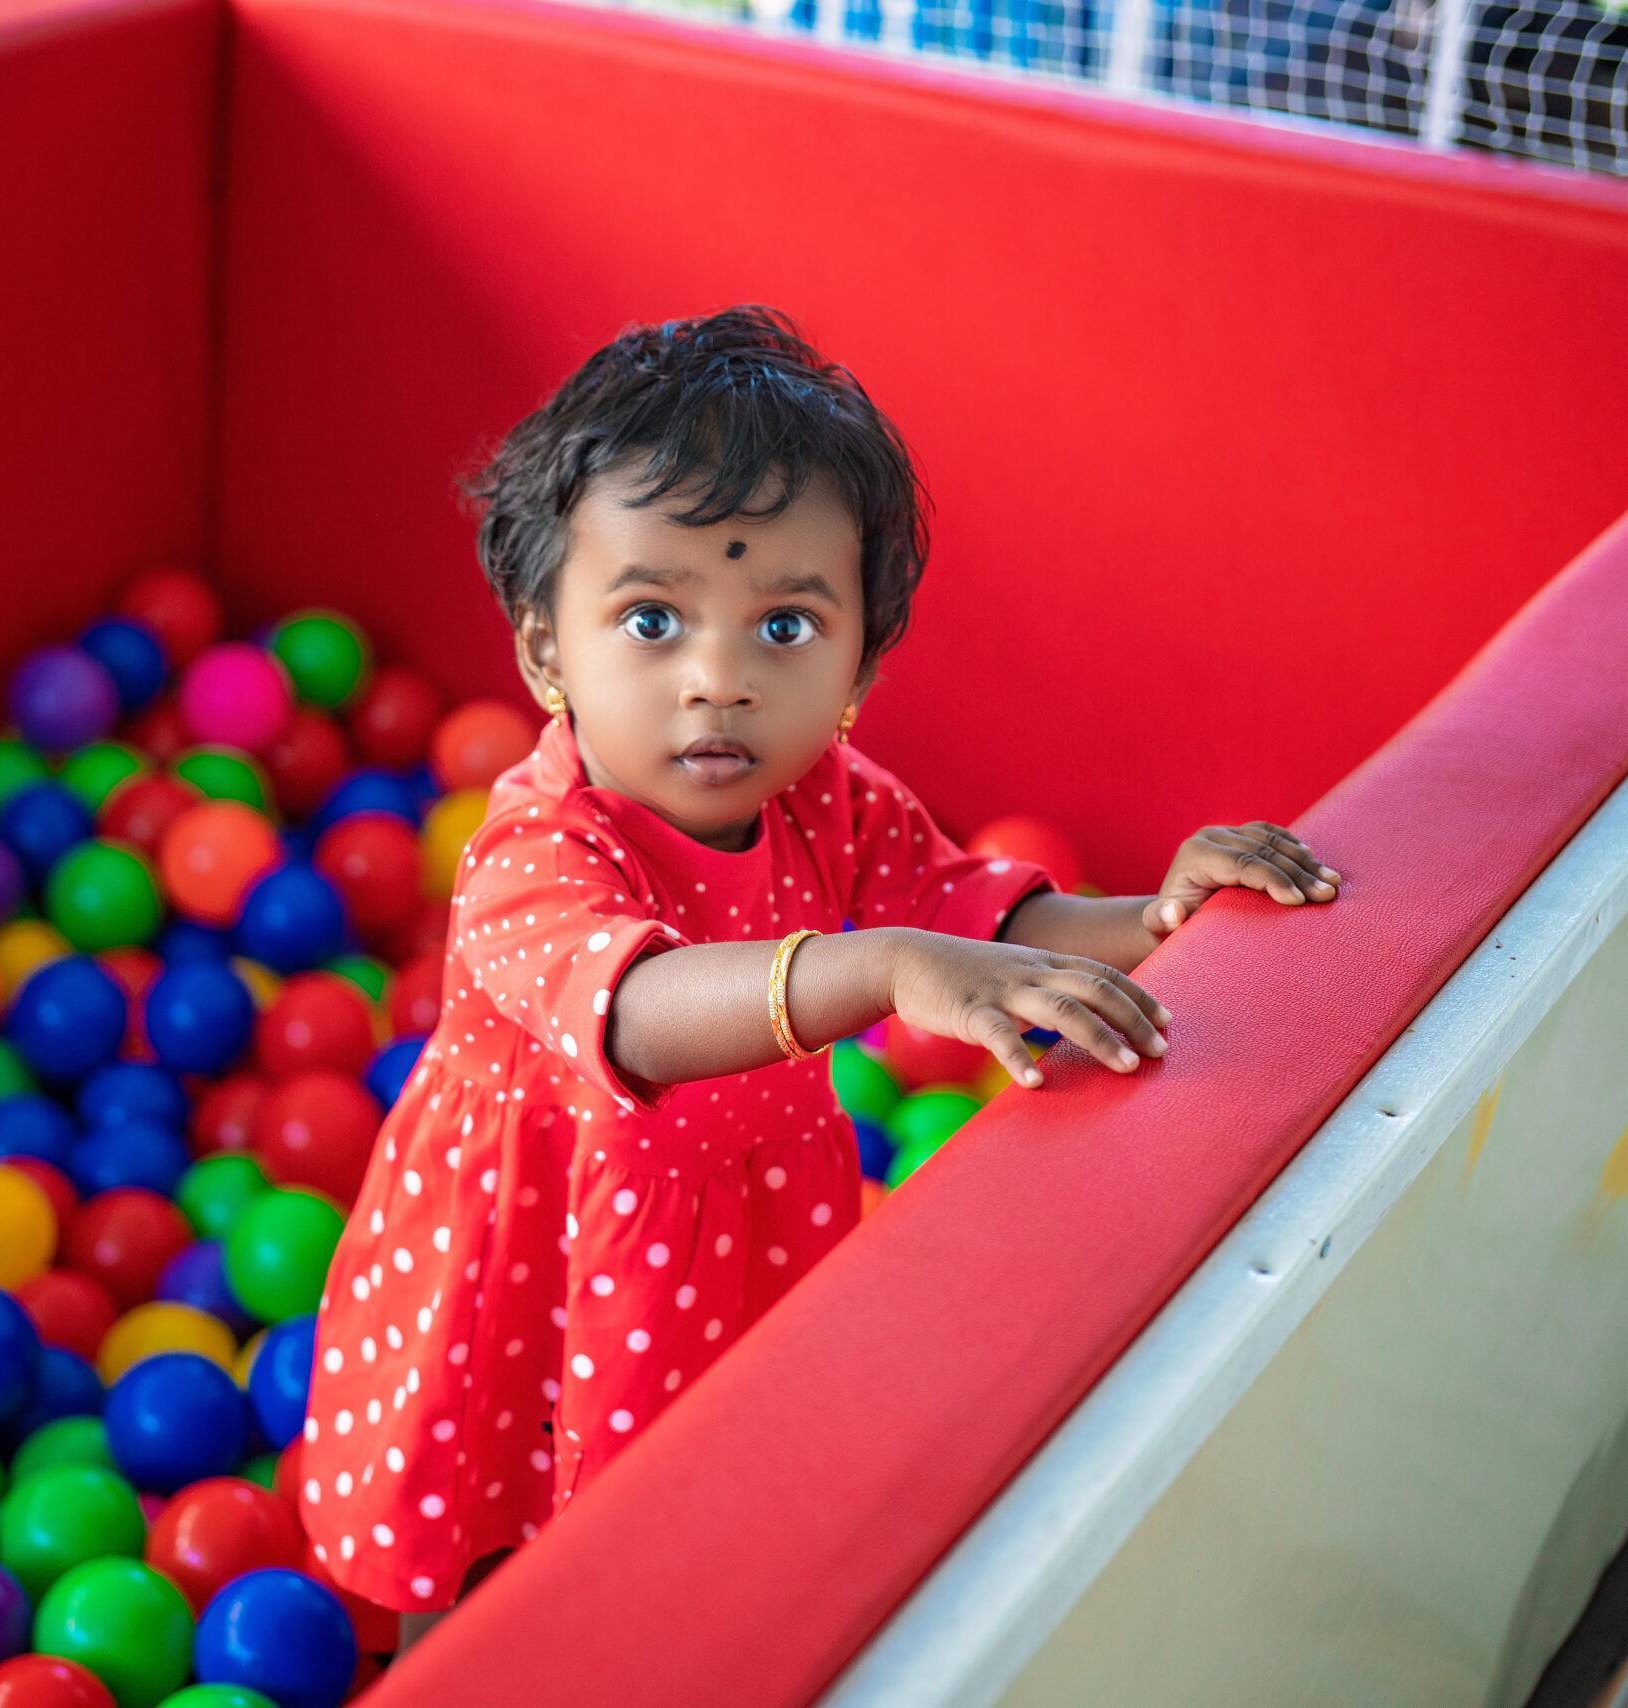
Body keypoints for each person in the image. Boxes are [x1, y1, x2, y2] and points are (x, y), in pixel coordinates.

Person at [298, 305, 1341, 1644]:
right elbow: (641, 1015)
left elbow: (984, 915)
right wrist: (888, 967)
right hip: (532, 1262)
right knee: (495, 1556)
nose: (719, 680)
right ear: (545, 649)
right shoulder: (533, 849)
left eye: (785, 628)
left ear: (860, 663)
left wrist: (1167, 913)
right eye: (654, 618)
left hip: (738, 1245)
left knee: (711, 1556)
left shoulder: (834, 808)